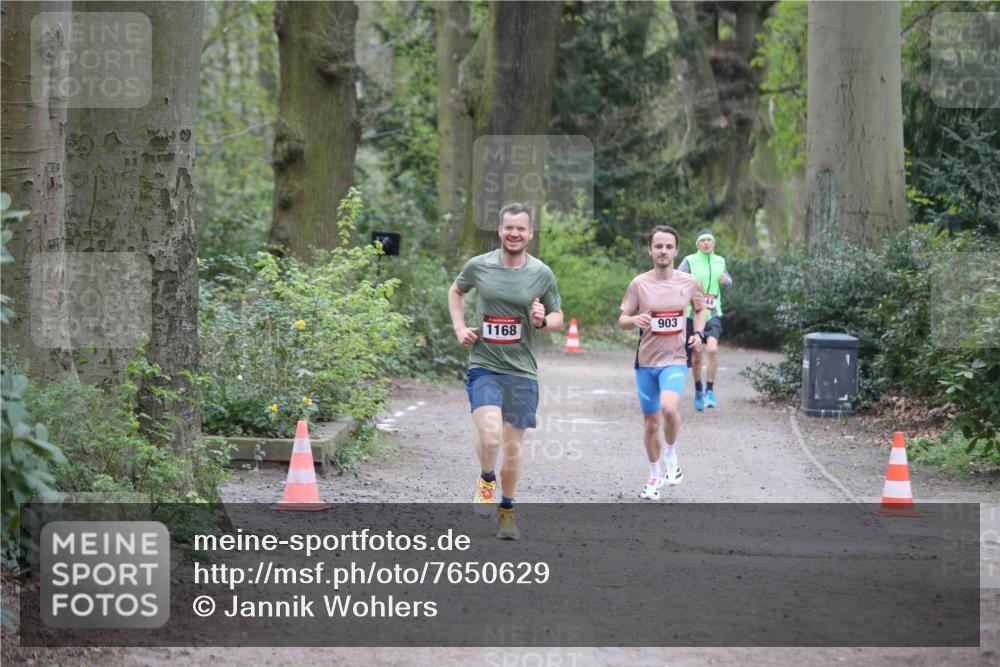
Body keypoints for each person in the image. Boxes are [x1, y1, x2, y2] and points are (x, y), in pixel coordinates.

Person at [448, 203, 563, 539]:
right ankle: (487, 480)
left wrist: (542, 321)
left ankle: (507, 509)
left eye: (521, 229)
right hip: (485, 365)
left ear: (530, 233)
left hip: (522, 372)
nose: (514, 234)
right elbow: (456, 291)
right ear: (499, 230)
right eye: (509, 228)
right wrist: (459, 328)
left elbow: (558, 316)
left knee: (511, 447)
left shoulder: (541, 273)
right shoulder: (479, 266)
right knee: (490, 436)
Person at [620, 225, 706, 499]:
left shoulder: (689, 282)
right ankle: (654, 475)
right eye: (658, 246)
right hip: (646, 362)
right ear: (650, 250)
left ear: (676, 250)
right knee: (650, 424)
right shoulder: (639, 283)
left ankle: (670, 452)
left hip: (676, 358)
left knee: (669, 409)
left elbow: (701, 309)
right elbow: (622, 319)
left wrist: (699, 333)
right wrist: (634, 320)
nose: (663, 251)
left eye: (669, 246)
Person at [678, 229, 732, 411]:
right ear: (698, 244)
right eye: (703, 241)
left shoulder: (720, 261)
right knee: (696, 357)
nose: (706, 243)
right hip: (693, 314)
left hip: (713, 313)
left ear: (714, 244)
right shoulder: (689, 260)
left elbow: (728, 280)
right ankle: (698, 390)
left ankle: (710, 390)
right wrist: (692, 283)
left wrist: (726, 281)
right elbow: (676, 279)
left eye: (709, 240)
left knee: (713, 350)